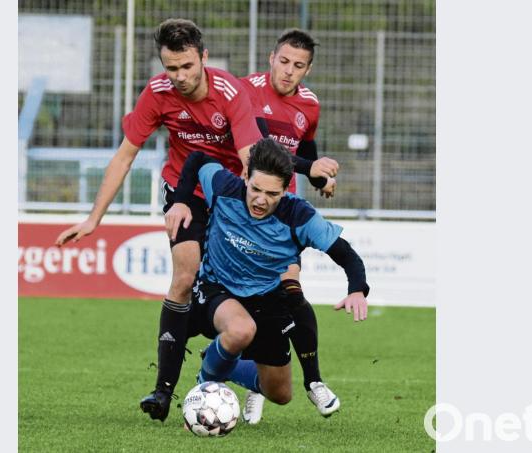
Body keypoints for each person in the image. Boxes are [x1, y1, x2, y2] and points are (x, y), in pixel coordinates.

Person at [53, 19, 335, 423]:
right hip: (182, 194)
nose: (180, 77)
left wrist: (260, 216)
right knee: (184, 277)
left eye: (187, 66)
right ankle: (163, 391)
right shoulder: (156, 93)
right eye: (171, 68)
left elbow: (249, 162)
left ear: (203, 57)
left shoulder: (230, 93)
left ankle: (243, 360)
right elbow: (125, 155)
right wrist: (94, 218)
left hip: (226, 194)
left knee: (262, 288)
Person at [165, 138, 370, 416]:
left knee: (280, 393)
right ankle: (205, 388)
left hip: (268, 300)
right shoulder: (224, 186)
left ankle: (224, 362)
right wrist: (180, 202)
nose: (261, 200)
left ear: (286, 189)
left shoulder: (299, 216)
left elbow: (346, 255)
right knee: (240, 329)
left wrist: (357, 289)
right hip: (217, 289)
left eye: (272, 194)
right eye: (255, 189)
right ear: (245, 176)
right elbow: (197, 159)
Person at [237, 29, 339, 423]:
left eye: (299, 66)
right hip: (247, 206)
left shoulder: (309, 105)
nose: (289, 71)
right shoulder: (246, 91)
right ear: (271, 58)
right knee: (249, 301)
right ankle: (255, 384)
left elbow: (305, 151)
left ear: (308, 69)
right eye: (284, 61)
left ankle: (314, 382)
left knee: (291, 292)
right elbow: (263, 151)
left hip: (283, 210)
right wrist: (310, 167)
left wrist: (320, 178)